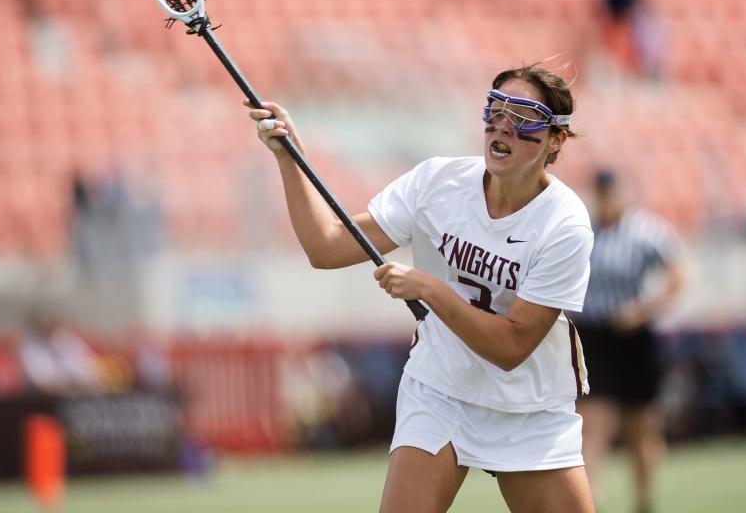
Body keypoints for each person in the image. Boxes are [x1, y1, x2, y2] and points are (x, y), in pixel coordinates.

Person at [246, 64, 595, 512]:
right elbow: (326, 246)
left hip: (530, 406)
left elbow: (511, 348)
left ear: (555, 139)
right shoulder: (437, 182)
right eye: (496, 109)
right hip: (440, 389)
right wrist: (289, 158)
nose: (502, 125)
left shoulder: (565, 224)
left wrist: (431, 289)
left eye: (523, 116)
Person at [576, 170, 684, 513]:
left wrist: (641, 312)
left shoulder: (647, 232)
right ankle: (591, 499)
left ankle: (644, 500)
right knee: (592, 424)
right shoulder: (583, 231)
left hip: (633, 338)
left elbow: (677, 279)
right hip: (593, 335)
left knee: (640, 428)